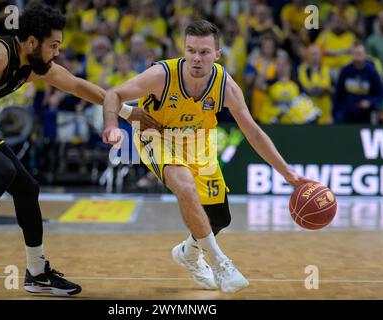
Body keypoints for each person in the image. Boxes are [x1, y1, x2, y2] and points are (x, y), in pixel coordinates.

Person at [0, 3, 158, 298]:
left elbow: (79, 86)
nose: (57, 53)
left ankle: (37, 273)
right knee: (1, 171)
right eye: (53, 45)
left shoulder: (32, 67)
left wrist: (129, 113)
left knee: (26, 187)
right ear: (31, 42)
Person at [102, 20, 309, 293]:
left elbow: (253, 132)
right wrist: (112, 125)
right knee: (185, 185)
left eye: (204, 52)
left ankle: (188, 253)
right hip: (156, 136)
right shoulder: (162, 75)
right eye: (191, 51)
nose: (196, 58)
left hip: (198, 142)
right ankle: (220, 263)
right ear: (183, 50)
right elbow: (113, 94)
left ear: (217, 55)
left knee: (220, 218)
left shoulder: (225, 85)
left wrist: (287, 173)